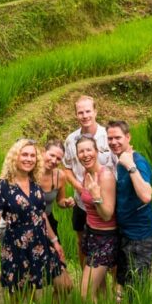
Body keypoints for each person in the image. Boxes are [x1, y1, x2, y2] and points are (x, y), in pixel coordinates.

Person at [0, 138, 72, 297]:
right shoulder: (3, 187)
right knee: (21, 300)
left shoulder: (35, 183)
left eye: (32, 155)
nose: (28, 159)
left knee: (64, 285)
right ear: (15, 157)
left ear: (36, 158)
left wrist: (55, 241)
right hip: (17, 248)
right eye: (24, 154)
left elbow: (40, 214)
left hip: (41, 244)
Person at [106, 120, 152, 293]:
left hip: (141, 237)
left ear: (128, 137)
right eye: (110, 138)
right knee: (122, 280)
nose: (113, 142)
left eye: (118, 137)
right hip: (124, 234)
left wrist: (131, 166)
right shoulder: (120, 160)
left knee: (136, 288)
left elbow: (146, 196)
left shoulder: (137, 162)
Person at [62, 95, 114, 268]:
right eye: (80, 112)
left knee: (112, 242)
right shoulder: (70, 140)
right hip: (82, 201)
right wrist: (78, 187)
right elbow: (67, 167)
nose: (84, 116)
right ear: (76, 115)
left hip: (106, 201)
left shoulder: (108, 136)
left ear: (95, 111)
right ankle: (88, 277)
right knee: (82, 241)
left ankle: (114, 287)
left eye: (88, 111)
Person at [75, 135, 118, 300]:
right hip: (91, 234)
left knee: (85, 293)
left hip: (105, 238)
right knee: (100, 290)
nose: (85, 155)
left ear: (97, 151)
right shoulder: (87, 172)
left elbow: (107, 214)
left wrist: (96, 197)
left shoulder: (105, 176)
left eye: (89, 150)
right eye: (81, 151)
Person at [39, 139, 75, 237]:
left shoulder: (60, 176)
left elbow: (60, 201)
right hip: (26, 222)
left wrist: (66, 202)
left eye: (58, 159)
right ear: (43, 152)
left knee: (56, 251)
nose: (54, 160)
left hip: (48, 221)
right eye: (51, 155)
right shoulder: (29, 171)